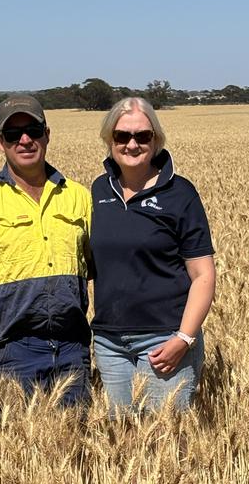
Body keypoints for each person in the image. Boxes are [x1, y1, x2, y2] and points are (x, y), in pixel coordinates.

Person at [0, 95, 93, 406]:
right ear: (0, 142)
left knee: (75, 446)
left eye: (33, 130)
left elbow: (102, 268)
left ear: (47, 134)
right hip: (12, 348)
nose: (25, 140)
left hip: (72, 347)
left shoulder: (79, 196)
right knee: (13, 444)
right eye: (13, 134)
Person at [90, 97, 216, 412]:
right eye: (122, 136)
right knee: (122, 440)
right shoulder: (98, 191)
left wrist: (183, 339)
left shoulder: (180, 194)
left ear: (156, 139)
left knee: (166, 442)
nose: (132, 144)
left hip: (164, 339)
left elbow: (203, 275)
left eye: (143, 136)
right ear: (110, 140)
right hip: (109, 343)